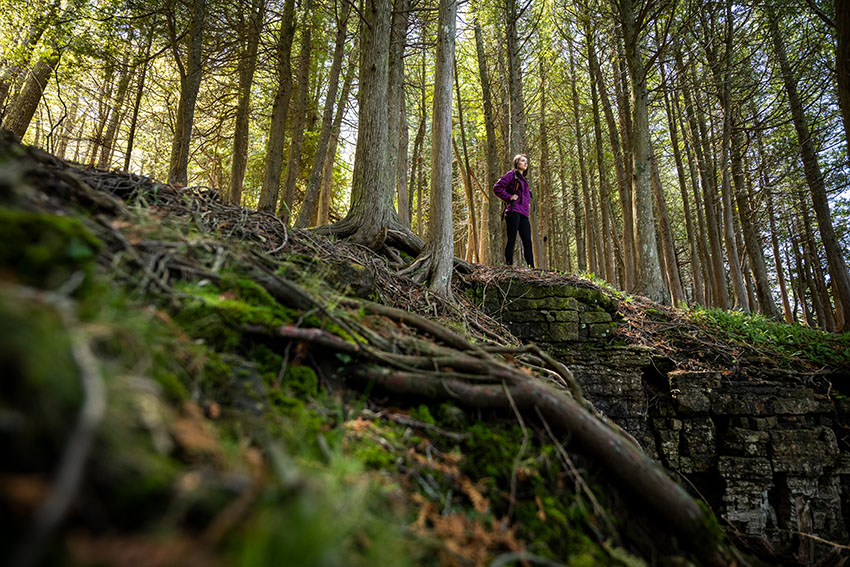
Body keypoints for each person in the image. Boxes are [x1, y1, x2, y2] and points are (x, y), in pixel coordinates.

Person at [493, 154, 534, 267]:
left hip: (524, 213)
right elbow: (497, 188)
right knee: (512, 239)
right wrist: (509, 197)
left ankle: (533, 269)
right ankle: (509, 265)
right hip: (513, 211)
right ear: (517, 163)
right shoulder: (511, 175)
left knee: (527, 241)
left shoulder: (525, 180)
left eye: (526, 161)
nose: (525, 163)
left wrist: (527, 204)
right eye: (522, 161)